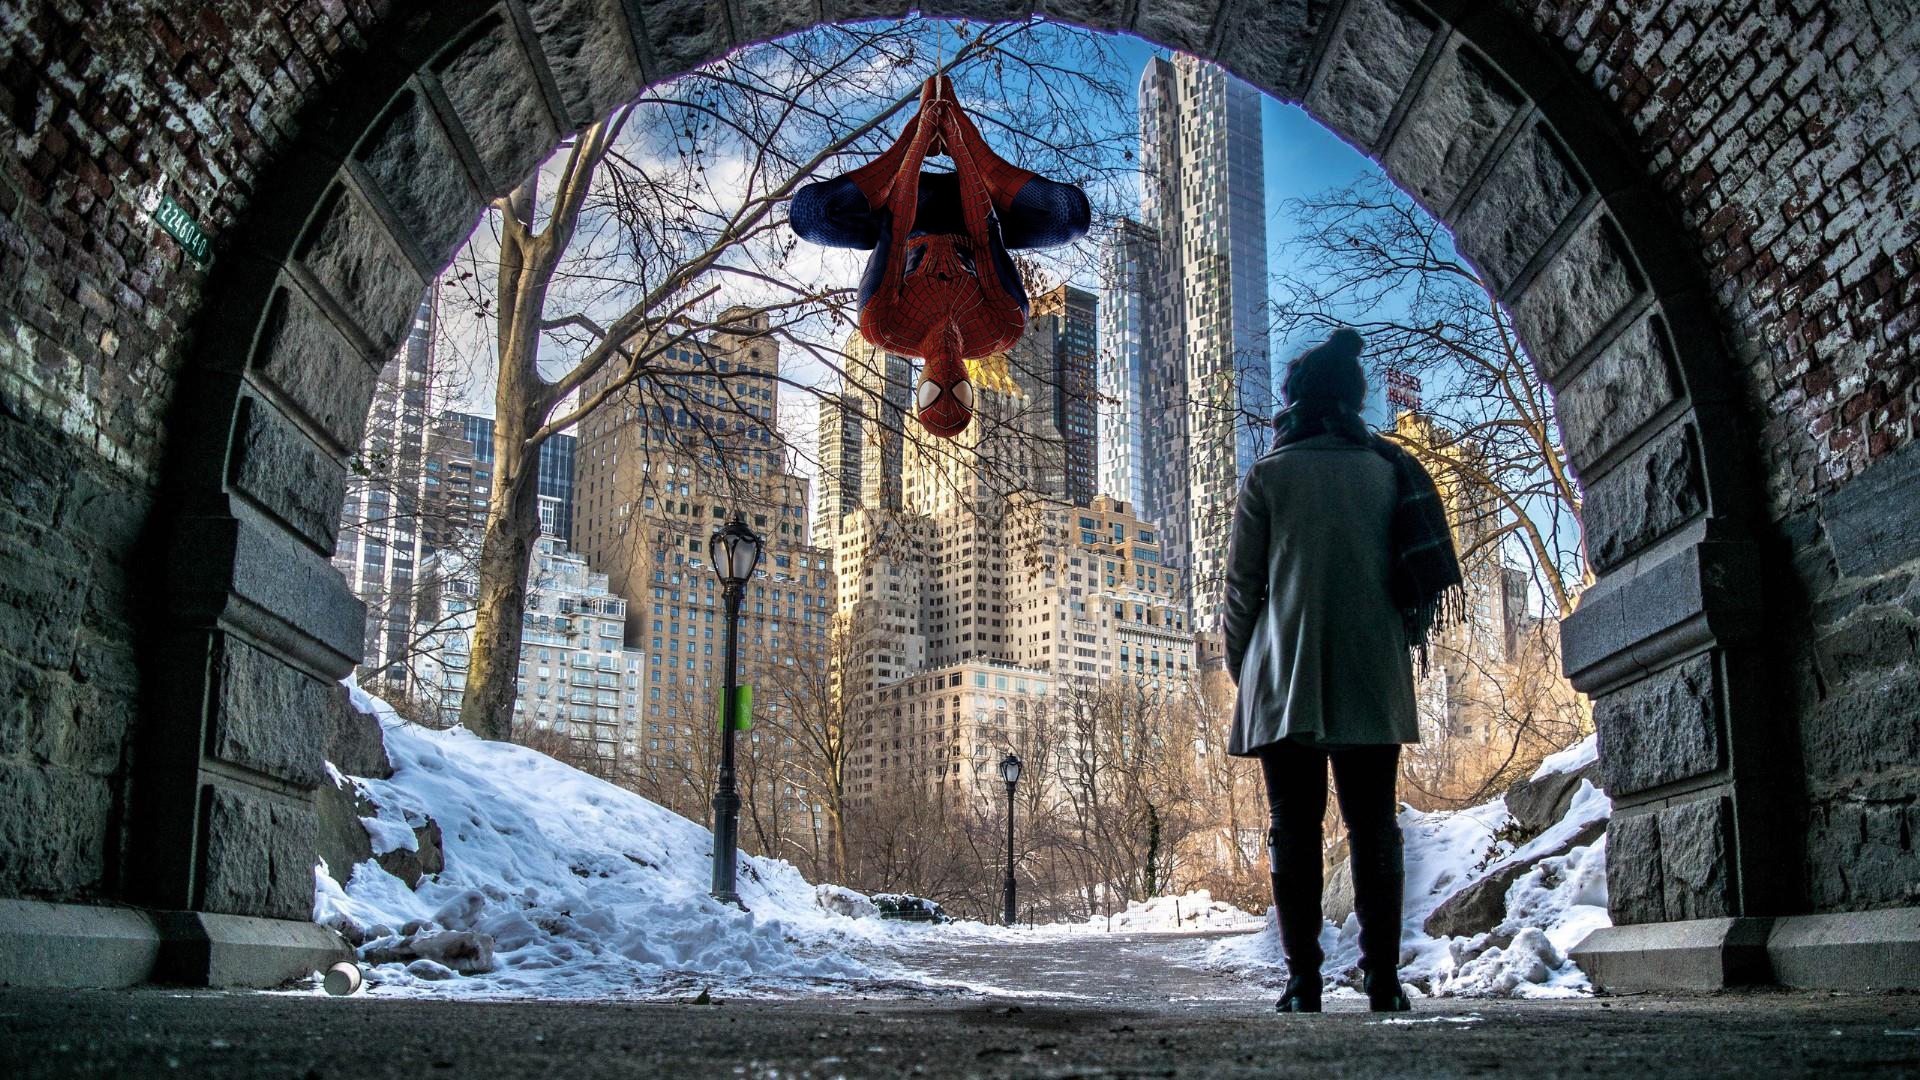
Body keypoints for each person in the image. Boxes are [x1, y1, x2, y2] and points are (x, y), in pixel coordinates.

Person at [1221, 327, 1462, 1014]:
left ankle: (1304, 983)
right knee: (1374, 826)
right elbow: (1414, 587)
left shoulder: (1269, 474)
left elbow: (1243, 588)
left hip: (1282, 675)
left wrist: (1249, 668)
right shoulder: (1391, 470)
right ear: (1354, 401)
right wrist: (1394, 642)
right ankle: (1383, 980)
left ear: (1295, 401)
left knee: (1292, 829)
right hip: (1370, 669)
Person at [789, 75, 1089, 437]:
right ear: (970, 392)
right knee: (1070, 216)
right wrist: (962, 144)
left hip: (909, 211)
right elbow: (987, 234)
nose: (946, 381)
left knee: (809, 214)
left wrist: (915, 141)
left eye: (934, 394)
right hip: (975, 207)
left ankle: (917, 130)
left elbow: (892, 230)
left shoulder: (882, 326)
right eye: (959, 394)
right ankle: (963, 129)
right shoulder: (1002, 328)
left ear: (919, 390)